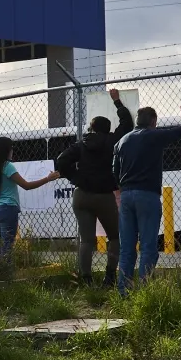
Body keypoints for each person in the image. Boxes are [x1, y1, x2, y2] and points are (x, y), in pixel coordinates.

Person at [113, 102, 181, 292]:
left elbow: (114, 172)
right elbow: (178, 132)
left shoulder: (121, 141)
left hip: (126, 196)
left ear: (137, 121)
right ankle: (144, 289)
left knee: (126, 247)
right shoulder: (154, 135)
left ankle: (123, 290)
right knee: (148, 245)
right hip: (147, 195)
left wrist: (121, 191)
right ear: (154, 122)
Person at [56, 87, 134, 288]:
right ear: (108, 129)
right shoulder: (112, 141)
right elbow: (127, 124)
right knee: (115, 236)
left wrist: (75, 178)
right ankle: (109, 277)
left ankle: (86, 279)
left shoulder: (81, 144)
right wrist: (117, 102)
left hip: (81, 195)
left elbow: (61, 160)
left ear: (91, 129)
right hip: (104, 196)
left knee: (86, 240)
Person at [0, 136, 57, 261]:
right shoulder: (7, 166)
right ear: (6, 150)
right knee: (7, 247)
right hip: (7, 209)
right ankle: (6, 276)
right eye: (11, 148)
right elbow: (26, 186)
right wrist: (48, 179)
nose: (12, 151)